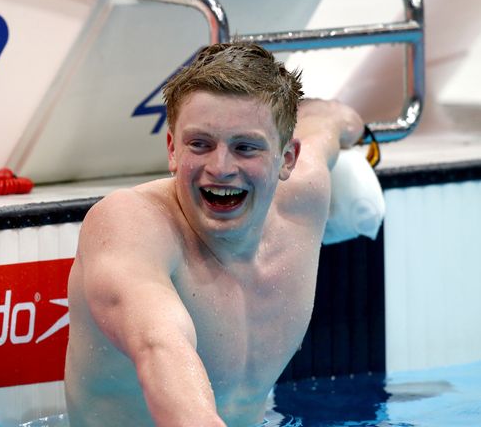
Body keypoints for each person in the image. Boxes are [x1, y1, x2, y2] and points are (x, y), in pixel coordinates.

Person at [64, 42, 363, 427]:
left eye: (245, 147)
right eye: (200, 144)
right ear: (172, 149)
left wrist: (345, 121)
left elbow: (327, 125)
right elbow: (161, 347)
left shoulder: (303, 197)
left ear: (287, 158)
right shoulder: (130, 225)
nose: (220, 167)